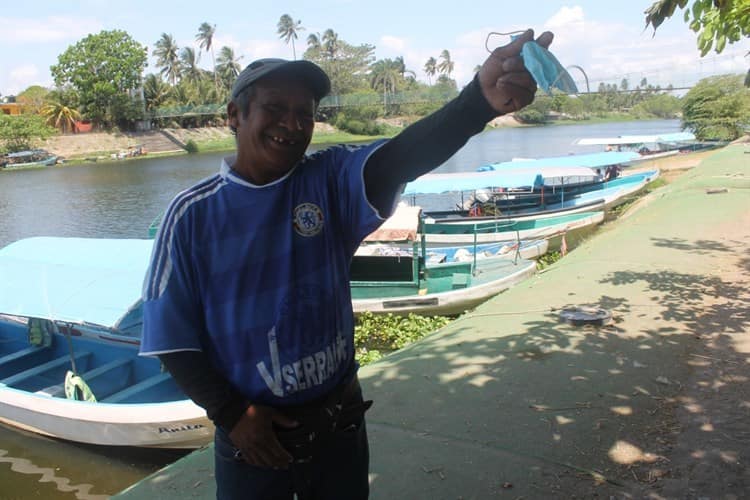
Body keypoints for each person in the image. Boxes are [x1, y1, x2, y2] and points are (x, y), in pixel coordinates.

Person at [140, 28, 554, 500]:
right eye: (275, 109)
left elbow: (400, 158)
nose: (292, 125)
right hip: (253, 442)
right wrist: (232, 415)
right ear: (235, 115)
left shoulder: (327, 180)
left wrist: (477, 103)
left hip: (339, 427)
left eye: (305, 114)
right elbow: (171, 339)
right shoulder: (192, 214)